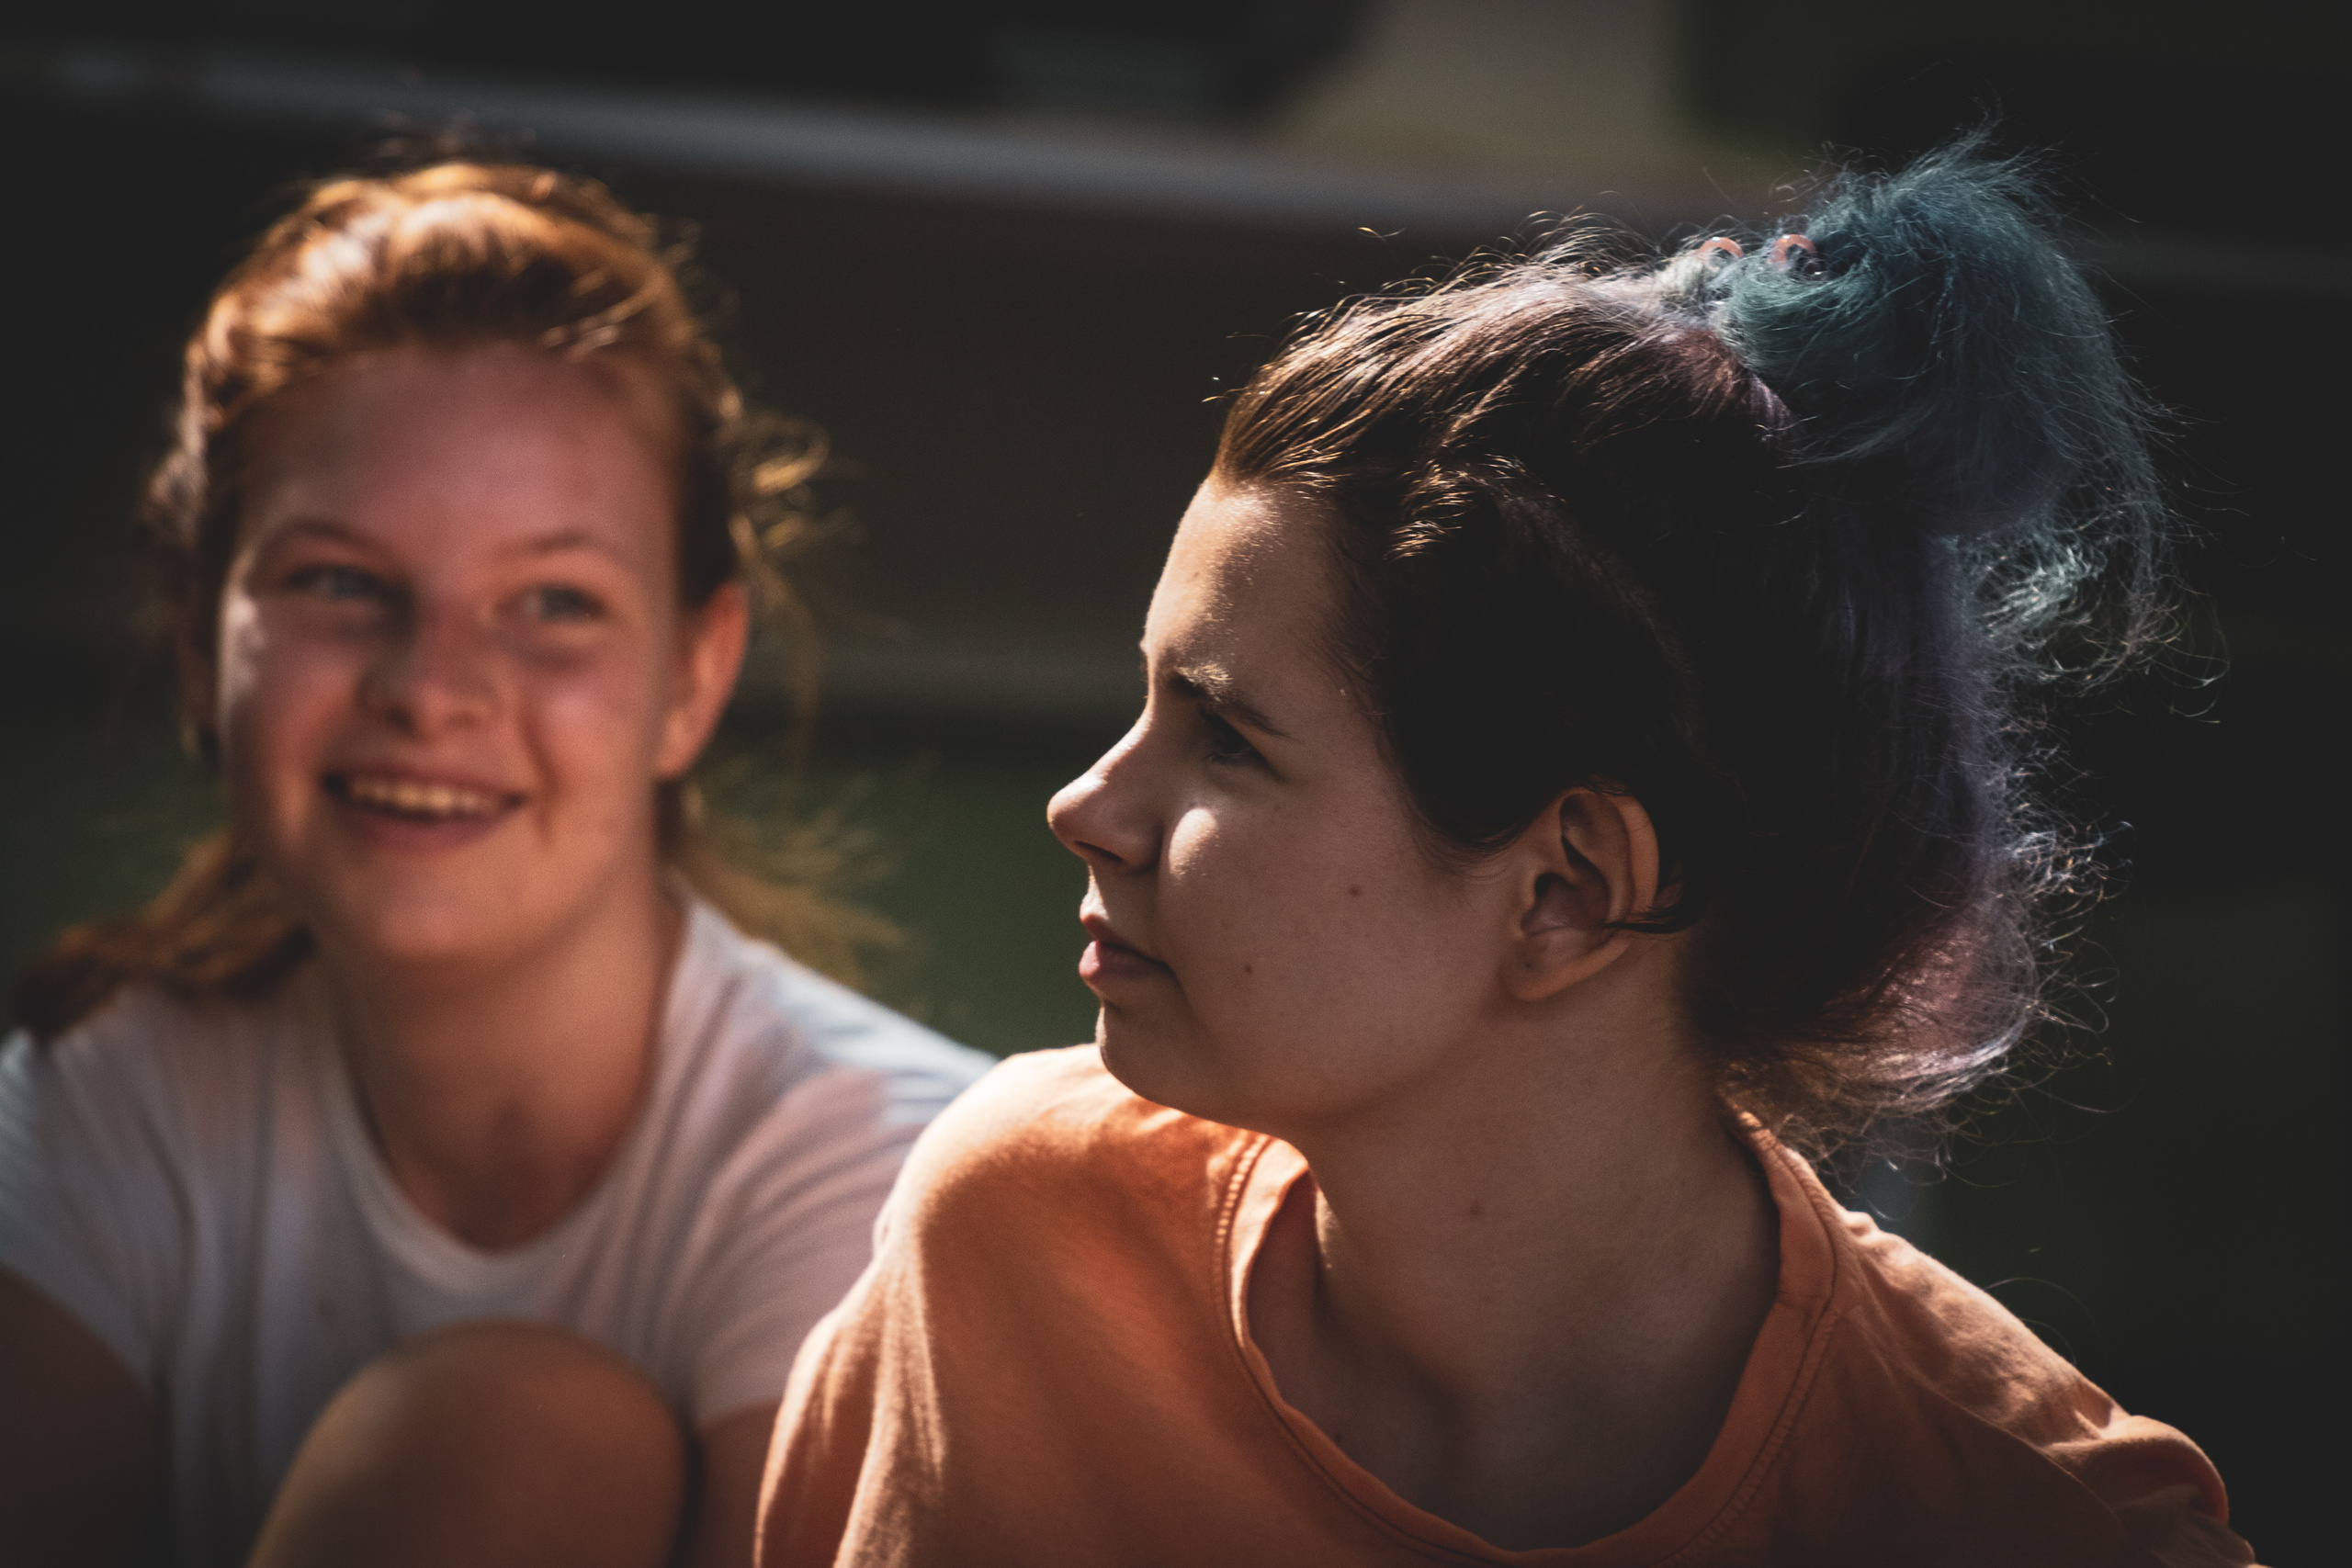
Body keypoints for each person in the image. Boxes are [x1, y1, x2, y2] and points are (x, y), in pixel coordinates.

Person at [756, 144, 2261, 1566]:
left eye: (1226, 738)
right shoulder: (1014, 1237)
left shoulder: (2034, 1523)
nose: (1086, 806)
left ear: (1567, 892)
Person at [0, 159, 989, 1568]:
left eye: (553, 602)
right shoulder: (104, 1104)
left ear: (696, 676)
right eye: (340, 581)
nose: (431, 687)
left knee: (516, 1433)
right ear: (197, 639)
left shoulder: (889, 1184)